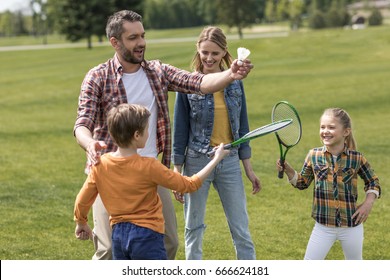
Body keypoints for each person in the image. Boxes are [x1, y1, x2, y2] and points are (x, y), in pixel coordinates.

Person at [73, 10, 253, 260]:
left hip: (150, 172)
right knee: (109, 250)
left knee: (168, 243)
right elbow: (82, 123)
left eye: (143, 36)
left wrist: (231, 74)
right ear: (115, 42)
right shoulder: (97, 77)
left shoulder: (157, 71)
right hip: (112, 174)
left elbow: (198, 82)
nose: (141, 43)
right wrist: (90, 143)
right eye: (133, 38)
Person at [74, 104, 230, 260]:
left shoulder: (100, 165)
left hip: (118, 236)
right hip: (147, 237)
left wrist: (81, 222)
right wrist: (216, 159)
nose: (149, 134)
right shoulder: (149, 166)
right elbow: (189, 184)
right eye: (147, 129)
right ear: (136, 135)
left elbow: (83, 199)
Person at [172, 26, 261, 260]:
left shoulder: (235, 82)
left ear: (224, 52)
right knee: (193, 226)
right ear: (198, 51)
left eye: (215, 53)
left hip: (229, 161)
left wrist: (248, 170)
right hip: (196, 162)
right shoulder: (188, 83)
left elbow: (243, 128)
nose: (209, 58)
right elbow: (180, 130)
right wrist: (177, 172)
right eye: (204, 52)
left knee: (241, 228)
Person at [276, 108, 381, 260]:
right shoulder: (314, 155)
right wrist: (288, 170)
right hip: (323, 227)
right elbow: (301, 183)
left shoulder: (356, 158)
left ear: (346, 132)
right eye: (322, 127)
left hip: (352, 226)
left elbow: (373, 181)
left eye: (331, 127)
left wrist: (368, 203)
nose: (325, 131)